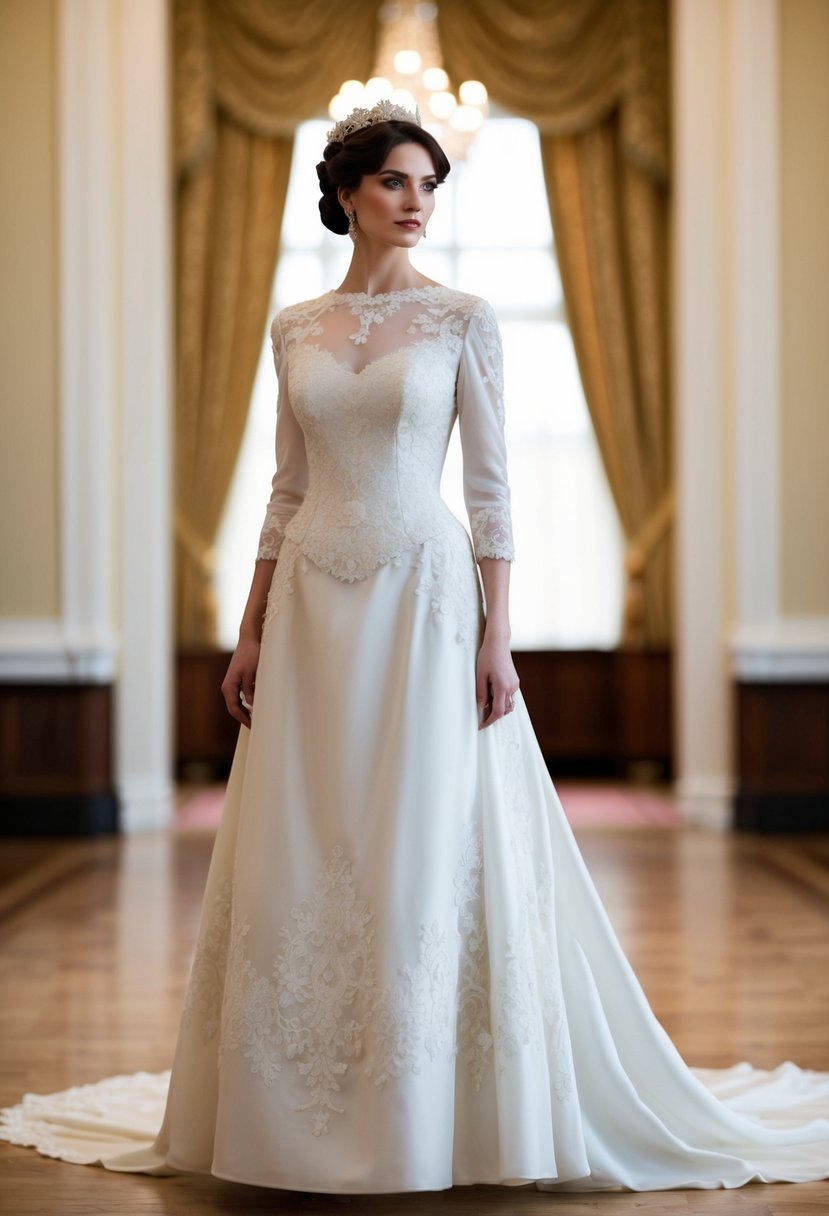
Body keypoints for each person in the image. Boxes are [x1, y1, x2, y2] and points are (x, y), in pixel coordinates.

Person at [2, 99, 828, 1195]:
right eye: (396, 182)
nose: (416, 203)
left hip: (425, 602)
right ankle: (292, 1106)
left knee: (419, 837)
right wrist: (247, 630)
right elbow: (284, 489)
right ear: (346, 194)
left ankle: (429, 1105)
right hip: (307, 606)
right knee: (305, 834)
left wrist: (499, 639)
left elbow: (490, 496)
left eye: (429, 185)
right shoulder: (293, 326)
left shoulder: (462, 320)